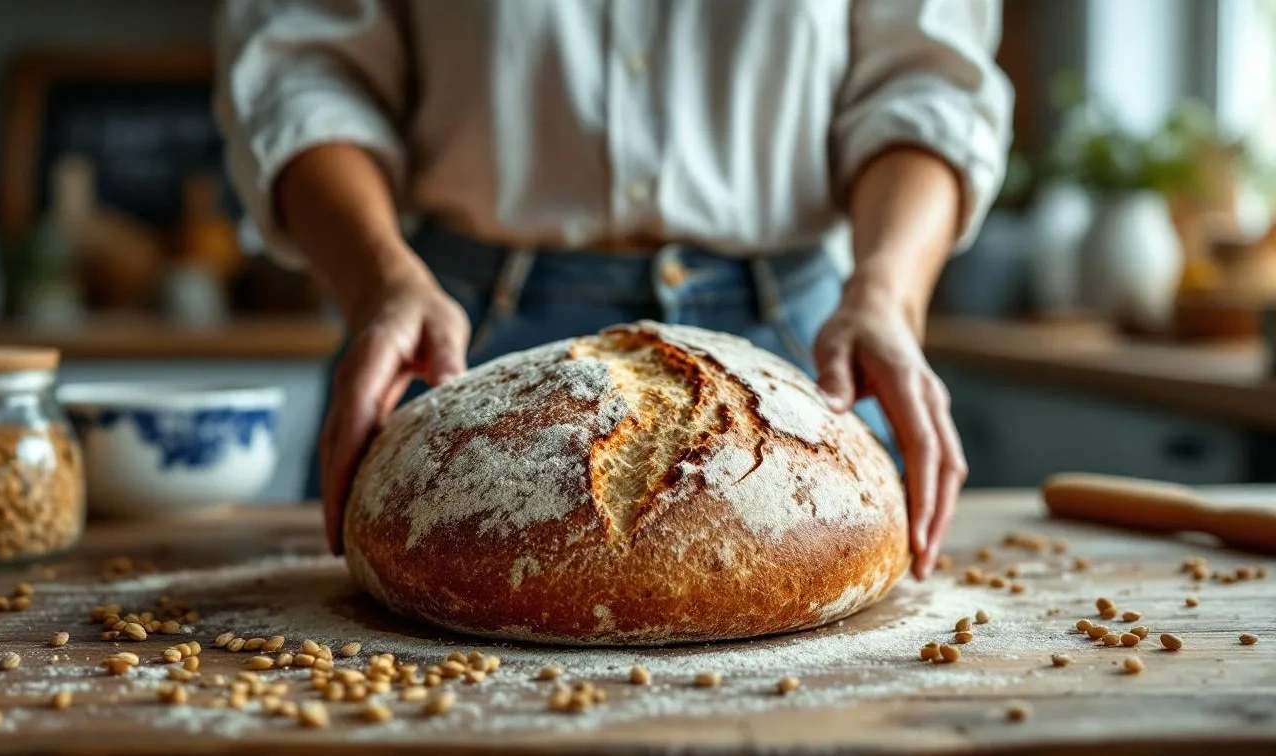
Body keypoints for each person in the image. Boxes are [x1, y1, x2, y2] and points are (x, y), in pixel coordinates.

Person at [214, 0, 1013, 581]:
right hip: (450, 344)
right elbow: (302, 66)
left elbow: (928, 79)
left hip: (807, 363)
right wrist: (378, 278)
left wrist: (888, 292)